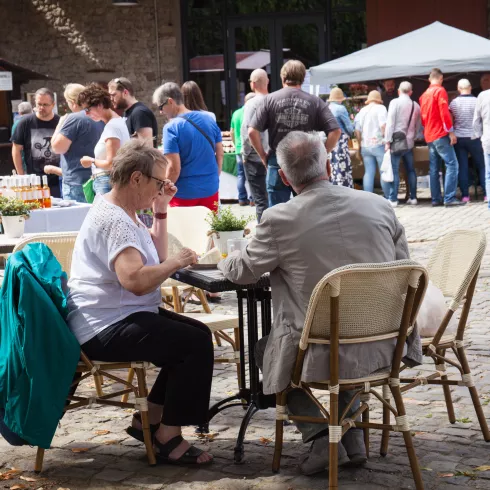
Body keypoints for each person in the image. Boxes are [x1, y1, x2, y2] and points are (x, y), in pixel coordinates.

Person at [218, 131, 420, 475]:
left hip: (319, 349)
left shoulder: (280, 219)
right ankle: (351, 434)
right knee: (341, 335)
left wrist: (225, 254)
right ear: (327, 164)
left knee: (265, 348)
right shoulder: (379, 205)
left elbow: (242, 272)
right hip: (385, 344)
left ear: (283, 177)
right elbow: (404, 269)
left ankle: (320, 434)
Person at [67, 140, 214, 466]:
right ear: (136, 178)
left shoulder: (122, 211)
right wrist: (176, 262)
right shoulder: (115, 220)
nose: (163, 187)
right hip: (102, 327)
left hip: (114, 315)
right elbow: (134, 280)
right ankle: (168, 436)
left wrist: (161, 207)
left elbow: (154, 257)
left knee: (198, 337)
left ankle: (147, 421)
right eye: (159, 182)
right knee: (193, 345)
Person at [248, 60, 341, 207]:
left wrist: (263, 156)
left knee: (278, 213)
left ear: (282, 77)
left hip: (278, 161)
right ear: (303, 78)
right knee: (309, 210)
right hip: (308, 163)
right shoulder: (315, 102)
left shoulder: (269, 100)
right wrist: (322, 154)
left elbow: (252, 131)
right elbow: (335, 131)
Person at [153, 82, 223, 213]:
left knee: (183, 232)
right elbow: (220, 154)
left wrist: (162, 192)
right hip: (211, 189)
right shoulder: (209, 120)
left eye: (161, 107)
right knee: (209, 232)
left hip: (183, 193)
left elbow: (174, 168)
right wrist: (214, 177)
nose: (161, 112)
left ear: (170, 101)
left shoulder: (171, 128)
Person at [50, 83, 104, 202]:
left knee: (76, 219)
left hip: (77, 182)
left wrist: (60, 125)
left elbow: (57, 148)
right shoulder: (99, 116)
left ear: (73, 102)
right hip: (99, 178)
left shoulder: (74, 118)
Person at [419, 68, 463, 207]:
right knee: (452, 164)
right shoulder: (440, 91)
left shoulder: (423, 95)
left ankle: (435, 199)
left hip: (429, 134)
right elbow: (444, 113)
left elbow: (423, 118)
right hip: (440, 133)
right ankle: (449, 198)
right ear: (441, 78)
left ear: (429, 79)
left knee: (434, 168)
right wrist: (450, 131)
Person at [78, 83, 130, 195]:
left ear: (100, 104)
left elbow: (111, 163)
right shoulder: (116, 122)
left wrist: (91, 161)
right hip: (110, 181)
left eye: (87, 109)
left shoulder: (112, 126)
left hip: (106, 182)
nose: (86, 114)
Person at [11, 88, 62, 197]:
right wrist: (22, 176)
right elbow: (16, 150)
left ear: (53, 105)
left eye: (45, 104)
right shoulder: (25, 123)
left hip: (58, 180)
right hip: (33, 181)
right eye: (39, 104)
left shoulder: (61, 122)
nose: (41, 108)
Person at [385, 81, 422, 206]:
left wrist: (387, 140)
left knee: (394, 170)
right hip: (409, 142)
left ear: (398, 91)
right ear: (411, 92)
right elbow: (418, 125)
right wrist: (414, 136)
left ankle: (393, 199)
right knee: (411, 170)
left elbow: (390, 123)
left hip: (396, 142)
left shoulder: (394, 102)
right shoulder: (416, 105)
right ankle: (413, 197)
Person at [449, 79, 486, 203]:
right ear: (470, 87)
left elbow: (451, 119)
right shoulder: (477, 101)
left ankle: (465, 195)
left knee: (462, 166)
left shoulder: (454, 103)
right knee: (481, 165)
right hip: (474, 136)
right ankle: (487, 193)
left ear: (459, 89)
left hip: (459, 138)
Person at [241, 68, 270, 222]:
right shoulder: (275, 100)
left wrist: (245, 154)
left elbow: (247, 133)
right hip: (274, 157)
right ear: (268, 82)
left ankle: (264, 237)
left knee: (260, 201)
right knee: (276, 199)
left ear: (252, 84)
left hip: (255, 157)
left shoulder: (251, 104)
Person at [354, 90, 390, 198]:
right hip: (378, 144)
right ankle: (388, 197)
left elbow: (357, 130)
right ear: (379, 100)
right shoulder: (381, 109)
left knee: (369, 173)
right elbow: (383, 126)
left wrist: (360, 143)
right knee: (384, 172)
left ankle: (368, 198)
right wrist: (387, 139)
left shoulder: (362, 111)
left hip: (365, 145)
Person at [107, 77, 158, 148]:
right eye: (110, 96)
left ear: (125, 92)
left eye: (113, 95)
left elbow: (147, 149)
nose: (111, 99)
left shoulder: (139, 113)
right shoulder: (126, 113)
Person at [327, 87, 354, 188]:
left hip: (330, 140)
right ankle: (344, 188)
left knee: (333, 166)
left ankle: (334, 188)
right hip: (340, 140)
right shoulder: (340, 108)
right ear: (340, 99)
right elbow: (349, 128)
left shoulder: (328, 108)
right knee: (342, 167)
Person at [231, 102, 252, 206]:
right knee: (251, 175)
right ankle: (253, 199)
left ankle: (242, 199)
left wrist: (236, 145)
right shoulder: (251, 111)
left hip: (239, 148)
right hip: (250, 148)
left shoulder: (236, 113)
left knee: (241, 175)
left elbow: (232, 131)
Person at [473, 87, 490, 209]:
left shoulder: (482, 96)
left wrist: (480, 137)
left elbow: (476, 121)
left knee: (489, 173)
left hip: (488, 139)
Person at [10, 102, 33, 173]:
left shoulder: (17, 124)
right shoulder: (35, 121)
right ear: (32, 111)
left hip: (23, 162)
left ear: (19, 113)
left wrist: (20, 172)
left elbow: (15, 147)